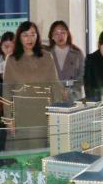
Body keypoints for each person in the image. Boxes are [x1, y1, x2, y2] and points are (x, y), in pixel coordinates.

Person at [4, 21, 62, 149]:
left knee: (39, 153)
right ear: (19, 37)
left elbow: (55, 87)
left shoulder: (47, 57)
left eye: (33, 34)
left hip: (42, 115)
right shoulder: (12, 59)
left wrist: (57, 115)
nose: (30, 39)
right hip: (19, 115)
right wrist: (8, 119)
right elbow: (6, 91)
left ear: (37, 36)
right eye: (25, 35)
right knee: (20, 154)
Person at [47, 20, 84, 101]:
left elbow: (82, 76)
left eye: (63, 32)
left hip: (73, 96)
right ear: (52, 36)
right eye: (56, 33)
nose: (60, 36)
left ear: (67, 34)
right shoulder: (47, 54)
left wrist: (69, 91)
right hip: (53, 96)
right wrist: (59, 90)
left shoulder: (77, 53)